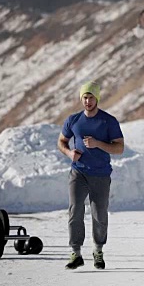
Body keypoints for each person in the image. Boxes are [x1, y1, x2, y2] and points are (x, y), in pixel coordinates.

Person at [57, 81, 124, 270]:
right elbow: (62, 141)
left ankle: (98, 250)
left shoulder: (108, 121)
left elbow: (119, 147)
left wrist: (98, 144)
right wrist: (70, 153)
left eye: (91, 97)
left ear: (97, 98)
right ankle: (76, 253)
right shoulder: (74, 120)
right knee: (75, 211)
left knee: (99, 214)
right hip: (78, 172)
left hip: (101, 174)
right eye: (85, 97)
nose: (87, 101)